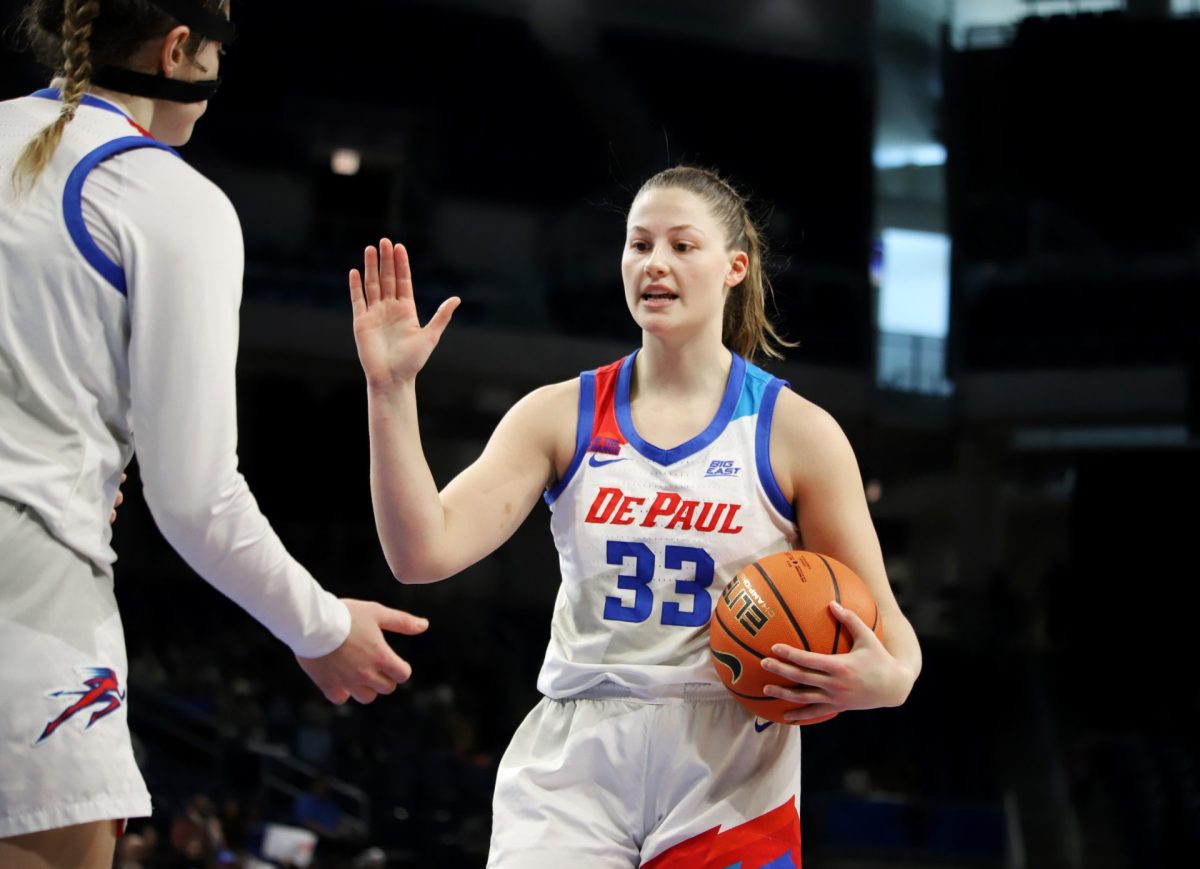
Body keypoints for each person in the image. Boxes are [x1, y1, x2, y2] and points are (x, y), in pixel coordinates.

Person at [350, 165, 923, 867]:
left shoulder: (797, 433)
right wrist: (391, 390)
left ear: (735, 266)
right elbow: (421, 552)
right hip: (577, 754)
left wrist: (881, 682)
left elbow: (893, 639)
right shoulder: (559, 413)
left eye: (683, 246)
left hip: (731, 760)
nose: (655, 263)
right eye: (639, 243)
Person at [0, 3, 428, 866]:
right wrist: (322, 625)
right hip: (27, 594)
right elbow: (194, 497)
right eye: (218, 50)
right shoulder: (167, 198)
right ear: (177, 51)